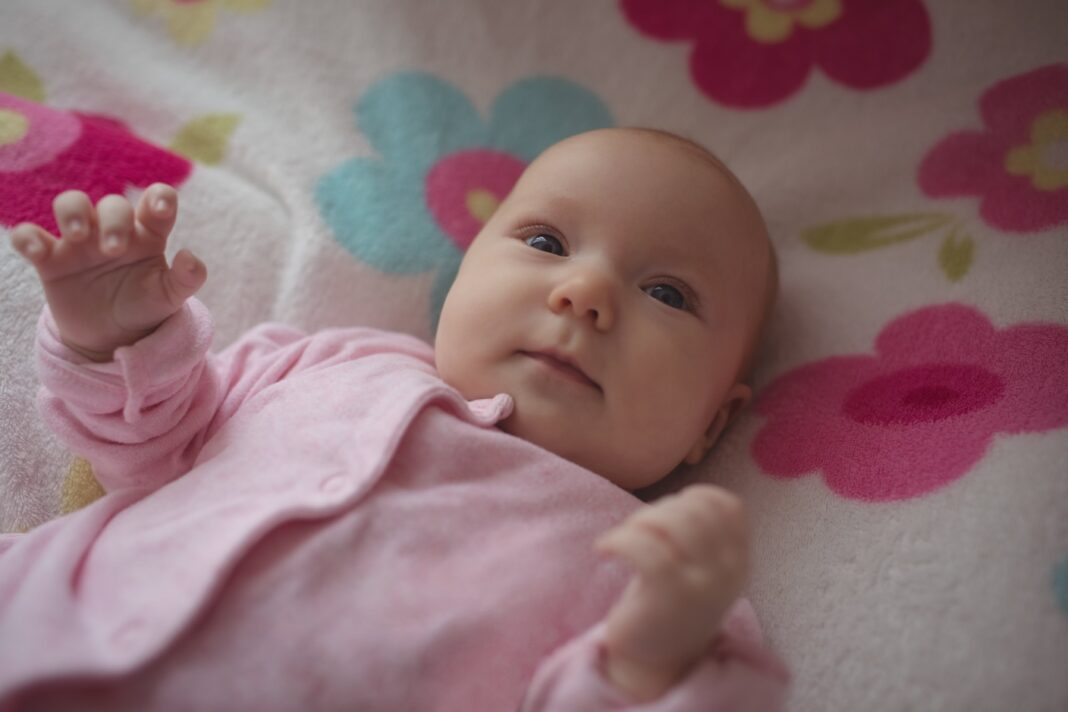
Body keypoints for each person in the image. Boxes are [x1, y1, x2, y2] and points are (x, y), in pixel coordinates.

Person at [0, 127, 788, 710]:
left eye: (667, 294)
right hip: (41, 628)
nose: (584, 294)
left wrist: (646, 662)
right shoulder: (330, 359)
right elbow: (150, 455)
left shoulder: (653, 579)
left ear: (712, 427)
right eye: (546, 241)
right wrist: (120, 340)